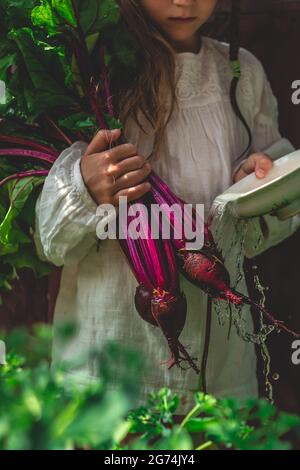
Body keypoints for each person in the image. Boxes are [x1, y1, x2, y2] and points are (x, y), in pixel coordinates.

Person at [34, 0, 300, 416]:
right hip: (107, 373)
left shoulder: (241, 72)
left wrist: (256, 180)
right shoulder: (90, 70)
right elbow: (50, 242)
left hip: (220, 372)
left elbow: (277, 199)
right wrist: (86, 187)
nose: (184, 1)